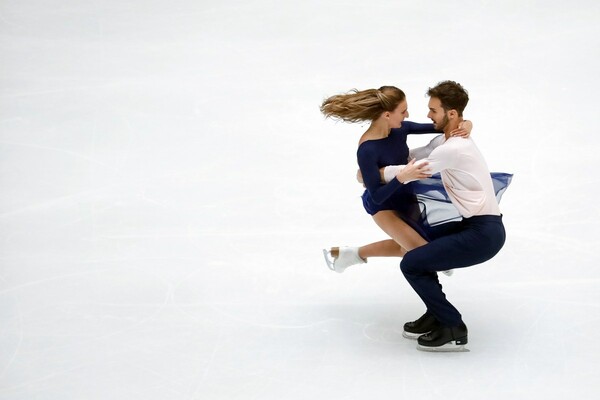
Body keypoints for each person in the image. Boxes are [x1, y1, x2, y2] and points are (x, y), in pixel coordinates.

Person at [380, 80, 508, 352]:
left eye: (433, 110)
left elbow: (416, 168)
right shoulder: (445, 140)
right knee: (420, 244)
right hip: (474, 226)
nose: (428, 116)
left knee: (412, 263)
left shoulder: (455, 148)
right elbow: (416, 153)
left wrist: (376, 174)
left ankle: (452, 326)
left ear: (451, 114)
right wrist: (385, 156)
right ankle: (436, 312)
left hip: (484, 234)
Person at [320, 86, 472, 274]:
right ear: (386, 115)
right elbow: (376, 196)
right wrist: (401, 177)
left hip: (406, 195)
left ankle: (349, 254)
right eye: (402, 111)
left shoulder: (400, 129)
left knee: (407, 247)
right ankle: (350, 255)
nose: (407, 115)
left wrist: (466, 124)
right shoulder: (367, 149)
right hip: (384, 206)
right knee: (425, 252)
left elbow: (441, 126)